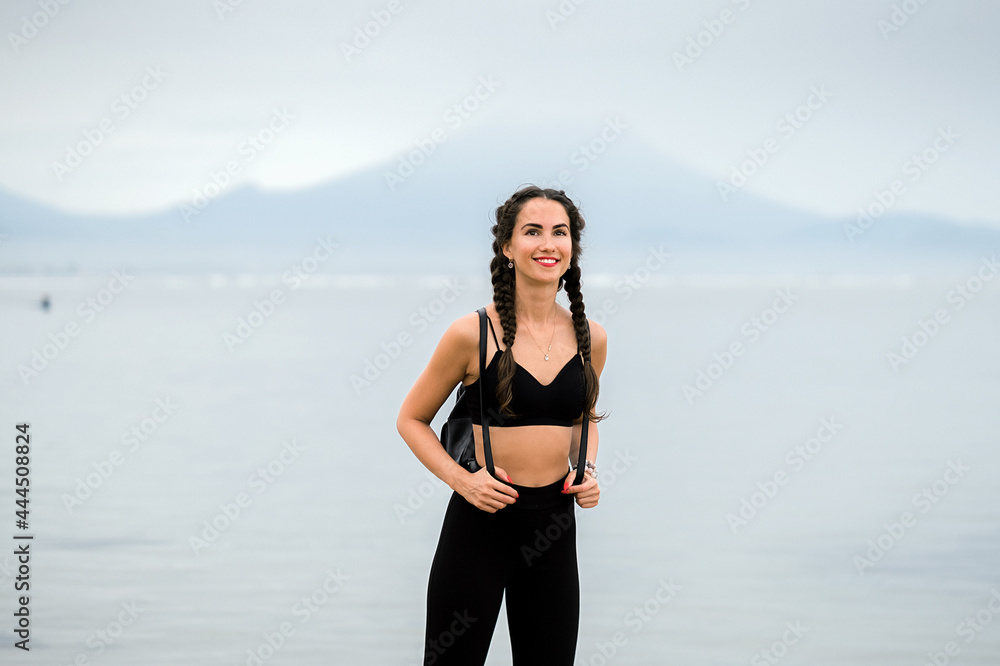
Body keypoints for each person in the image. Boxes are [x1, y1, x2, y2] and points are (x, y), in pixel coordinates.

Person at [396, 184, 609, 665]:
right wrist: (462, 482)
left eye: (560, 232)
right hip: (480, 526)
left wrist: (588, 469)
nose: (547, 244)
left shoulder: (590, 338)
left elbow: (583, 420)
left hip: (554, 527)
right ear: (508, 248)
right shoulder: (471, 332)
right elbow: (411, 419)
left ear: (572, 248)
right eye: (532, 232)